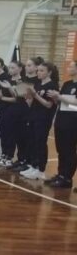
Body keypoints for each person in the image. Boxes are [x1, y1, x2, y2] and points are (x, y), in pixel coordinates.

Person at [21, 62, 59, 182]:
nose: (39, 73)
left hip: (43, 119)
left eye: (42, 70)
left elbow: (48, 105)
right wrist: (28, 97)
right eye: (38, 70)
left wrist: (35, 95)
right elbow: (33, 101)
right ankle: (34, 166)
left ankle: (41, 170)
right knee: (33, 142)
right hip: (34, 116)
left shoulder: (52, 85)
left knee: (40, 143)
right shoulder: (37, 84)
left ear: (49, 72)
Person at [47, 60, 77, 190]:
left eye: (71, 66)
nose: (68, 68)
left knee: (69, 150)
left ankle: (67, 178)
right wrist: (55, 98)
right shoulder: (67, 84)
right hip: (61, 120)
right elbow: (62, 102)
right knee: (61, 150)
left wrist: (60, 97)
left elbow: (75, 103)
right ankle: (60, 174)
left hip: (72, 123)